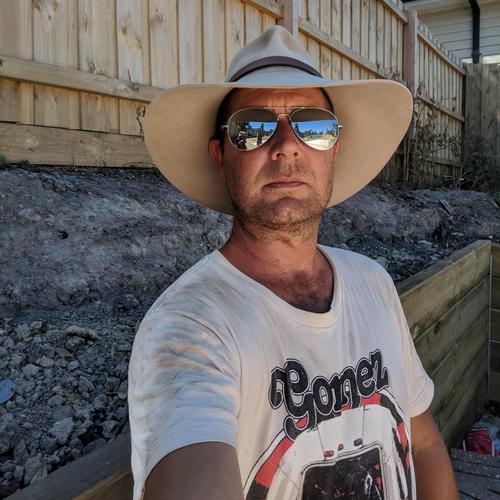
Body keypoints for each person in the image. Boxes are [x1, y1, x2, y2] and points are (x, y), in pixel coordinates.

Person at [128, 26, 459, 500]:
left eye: (313, 126)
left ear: (334, 149)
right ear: (221, 156)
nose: (286, 143)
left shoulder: (373, 283)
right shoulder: (189, 326)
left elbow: (422, 443)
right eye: (252, 127)